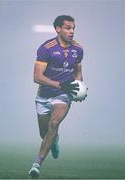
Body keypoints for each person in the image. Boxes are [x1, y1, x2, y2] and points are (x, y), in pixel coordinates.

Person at [29, 15, 87, 178]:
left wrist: (79, 88)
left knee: (54, 123)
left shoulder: (78, 50)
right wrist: (60, 84)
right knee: (45, 133)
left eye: (73, 28)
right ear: (58, 29)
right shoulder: (46, 48)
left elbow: (78, 73)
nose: (72, 31)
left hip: (63, 96)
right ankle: (53, 141)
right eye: (68, 28)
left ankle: (37, 164)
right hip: (44, 97)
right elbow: (37, 77)